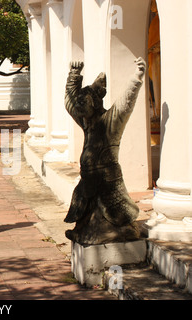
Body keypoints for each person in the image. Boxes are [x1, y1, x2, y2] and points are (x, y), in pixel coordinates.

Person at [63, 58, 146, 245]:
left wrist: (136, 78)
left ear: (94, 103)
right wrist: (74, 76)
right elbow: (70, 104)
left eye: (84, 102)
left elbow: (125, 104)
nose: (79, 107)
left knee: (110, 215)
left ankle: (115, 233)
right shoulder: (87, 122)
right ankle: (83, 231)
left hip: (106, 180)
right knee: (86, 212)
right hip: (89, 179)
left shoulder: (109, 121)